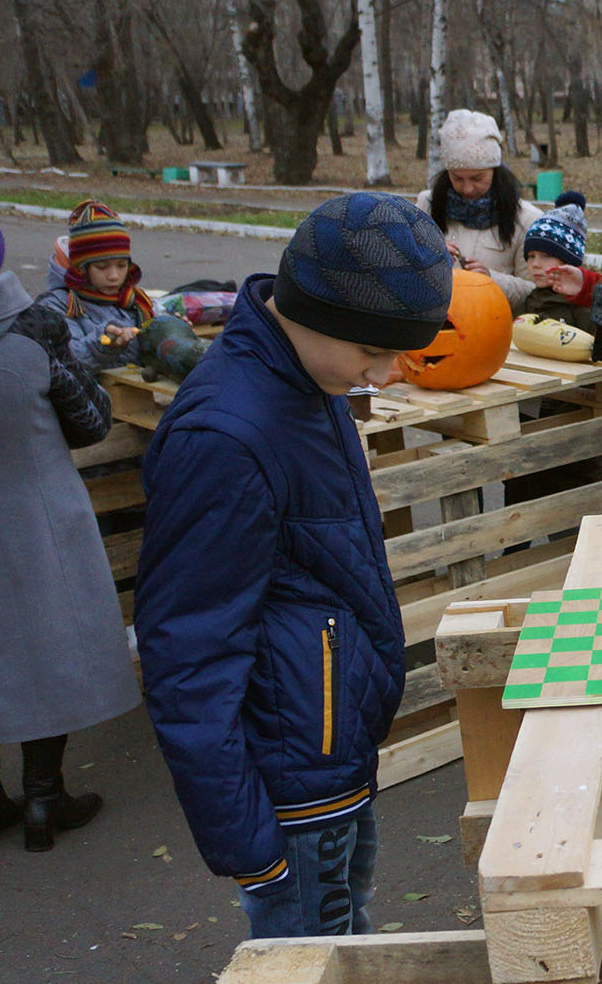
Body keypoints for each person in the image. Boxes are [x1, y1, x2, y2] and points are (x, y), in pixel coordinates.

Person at [135, 193, 454, 938]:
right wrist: (251, 849)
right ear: (313, 312)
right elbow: (188, 653)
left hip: (329, 753)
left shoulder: (307, 383)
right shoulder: (229, 436)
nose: (382, 372)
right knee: (312, 953)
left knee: (348, 935)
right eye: (372, 353)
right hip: (289, 788)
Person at [0, 242, 139, 852]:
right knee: (42, 648)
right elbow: (90, 423)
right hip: (35, 518)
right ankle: (43, 796)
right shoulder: (33, 333)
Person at [417, 109, 542, 311]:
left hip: (492, 326)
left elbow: (536, 292)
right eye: (457, 178)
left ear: (495, 171)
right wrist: (428, 256)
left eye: (477, 178)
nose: (467, 188)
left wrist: (491, 280)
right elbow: (403, 269)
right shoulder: (427, 205)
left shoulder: (527, 219)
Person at [37, 199, 155, 374]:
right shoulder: (57, 306)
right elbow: (65, 360)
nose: (114, 276)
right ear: (81, 269)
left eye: (121, 265)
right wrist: (102, 344)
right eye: (102, 267)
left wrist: (168, 330)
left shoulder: (135, 301)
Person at [520, 191, 602, 331]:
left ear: (569, 262)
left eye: (546, 256)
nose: (536, 264)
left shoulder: (584, 309)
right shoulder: (530, 300)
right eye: (531, 256)